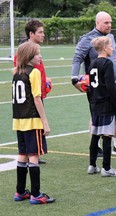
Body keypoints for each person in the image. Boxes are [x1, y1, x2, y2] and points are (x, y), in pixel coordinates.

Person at [71, 11, 116, 157]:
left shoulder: (110, 37)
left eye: (110, 22)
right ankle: (97, 147)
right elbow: (77, 59)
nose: (109, 25)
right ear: (98, 23)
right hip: (96, 85)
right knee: (96, 114)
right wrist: (74, 78)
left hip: (112, 82)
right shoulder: (87, 39)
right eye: (106, 22)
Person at [12, 42, 55, 204]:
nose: (40, 56)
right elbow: (37, 99)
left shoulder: (16, 73)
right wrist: (45, 122)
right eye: (37, 54)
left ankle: (20, 191)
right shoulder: (34, 72)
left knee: (22, 154)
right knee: (33, 156)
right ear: (29, 56)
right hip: (32, 120)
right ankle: (36, 194)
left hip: (18, 120)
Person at [87, 36, 116, 177]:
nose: (112, 48)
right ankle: (106, 168)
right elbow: (110, 86)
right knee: (107, 135)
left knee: (95, 135)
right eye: (110, 46)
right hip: (106, 103)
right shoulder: (107, 63)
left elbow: (91, 86)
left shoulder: (92, 63)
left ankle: (92, 165)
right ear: (103, 48)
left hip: (95, 103)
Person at [14, 20, 49, 164]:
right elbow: (26, 76)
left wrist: (45, 83)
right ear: (31, 34)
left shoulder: (34, 51)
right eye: (40, 32)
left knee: (29, 146)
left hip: (34, 97)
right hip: (31, 103)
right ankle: (33, 155)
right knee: (31, 145)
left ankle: (33, 154)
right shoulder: (26, 52)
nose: (43, 35)